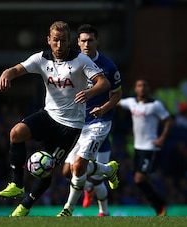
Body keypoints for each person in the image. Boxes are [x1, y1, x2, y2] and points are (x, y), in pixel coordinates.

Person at [0, 21, 115, 217]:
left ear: (70, 41)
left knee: (47, 167)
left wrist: (90, 92)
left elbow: (104, 83)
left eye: (64, 41)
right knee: (16, 133)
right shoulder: (41, 58)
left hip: (70, 126)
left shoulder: (81, 60)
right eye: (56, 41)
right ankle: (16, 184)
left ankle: (24, 207)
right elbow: (16, 69)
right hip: (48, 115)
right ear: (49, 40)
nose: (59, 46)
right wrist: (6, 74)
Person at [57, 24, 122, 217]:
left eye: (90, 40)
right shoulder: (72, 61)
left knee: (82, 170)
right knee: (67, 172)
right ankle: (107, 170)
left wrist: (103, 109)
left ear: (97, 41)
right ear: (78, 42)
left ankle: (70, 209)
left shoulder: (108, 66)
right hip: (77, 123)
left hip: (98, 122)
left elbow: (117, 95)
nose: (86, 44)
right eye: (83, 40)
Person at [118, 78, 173, 216]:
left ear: (148, 88)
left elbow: (168, 121)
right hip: (137, 148)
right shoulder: (131, 103)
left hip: (150, 147)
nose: (142, 88)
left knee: (139, 179)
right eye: (139, 85)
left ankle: (160, 204)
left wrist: (162, 138)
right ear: (135, 89)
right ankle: (158, 207)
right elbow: (116, 102)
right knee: (145, 179)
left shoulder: (155, 105)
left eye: (145, 85)